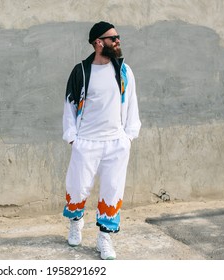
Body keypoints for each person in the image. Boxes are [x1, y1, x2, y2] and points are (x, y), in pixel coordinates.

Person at [62, 21, 141, 260]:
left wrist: (128, 137)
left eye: (118, 37)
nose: (118, 41)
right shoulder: (82, 71)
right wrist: (73, 139)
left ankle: (104, 238)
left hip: (116, 143)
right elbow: (70, 105)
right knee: (77, 188)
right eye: (113, 38)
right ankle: (76, 222)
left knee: (112, 191)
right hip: (86, 142)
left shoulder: (124, 71)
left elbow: (132, 104)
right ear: (98, 43)